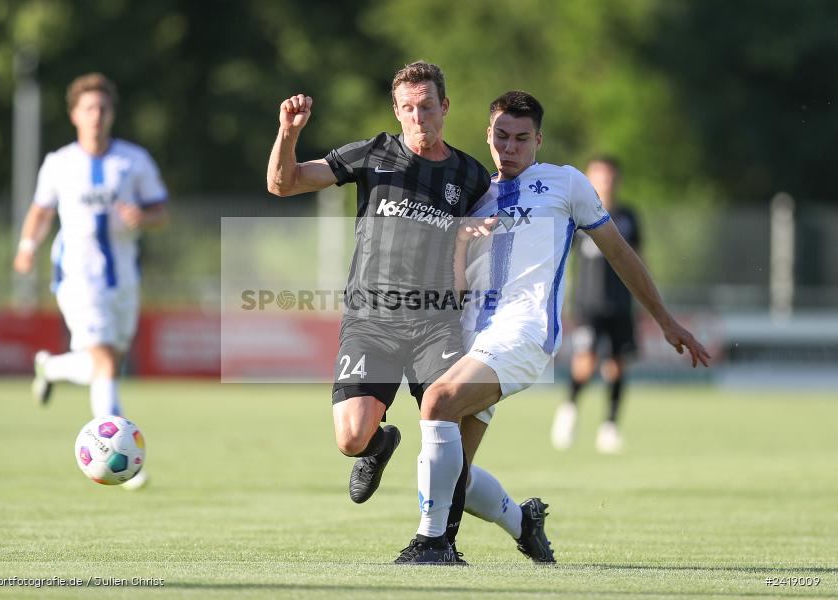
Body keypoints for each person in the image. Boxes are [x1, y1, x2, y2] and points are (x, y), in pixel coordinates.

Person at [397, 90, 710, 564]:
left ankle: (432, 544)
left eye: (522, 138)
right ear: (488, 135)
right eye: (502, 136)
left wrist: (664, 320)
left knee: (438, 404)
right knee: (454, 472)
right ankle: (524, 524)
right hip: (468, 337)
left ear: (538, 139)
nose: (511, 147)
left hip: (523, 333)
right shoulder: (472, 192)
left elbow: (620, 253)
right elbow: (453, 283)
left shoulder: (566, 184)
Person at [266, 61, 490, 561]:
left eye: (427, 107)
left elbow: (489, 242)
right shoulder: (373, 154)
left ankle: (440, 542)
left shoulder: (470, 176)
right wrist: (287, 134)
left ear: (445, 107)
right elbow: (283, 184)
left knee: (453, 421)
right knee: (350, 438)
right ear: (396, 110)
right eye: (408, 108)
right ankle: (378, 445)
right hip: (372, 323)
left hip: (436, 322)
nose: (418, 118)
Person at [13, 73, 169, 490]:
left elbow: (160, 211)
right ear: (74, 115)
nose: (96, 115)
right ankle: (113, 452)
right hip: (77, 275)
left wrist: (143, 218)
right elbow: (41, 209)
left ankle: (50, 366)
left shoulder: (133, 161)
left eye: (102, 108)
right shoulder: (60, 163)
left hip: (122, 277)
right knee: (102, 361)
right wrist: (28, 245)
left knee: (107, 364)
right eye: (88, 108)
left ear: (111, 114)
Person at [552, 156, 642, 454]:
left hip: (621, 304)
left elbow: (640, 259)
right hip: (588, 304)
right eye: (600, 176)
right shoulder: (578, 214)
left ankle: (610, 426)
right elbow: (562, 258)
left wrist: (645, 298)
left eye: (610, 176)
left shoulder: (628, 216)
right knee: (586, 362)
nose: (606, 181)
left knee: (617, 366)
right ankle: (569, 409)